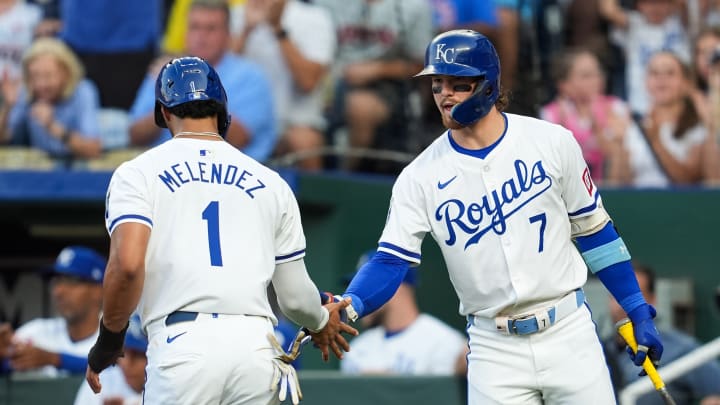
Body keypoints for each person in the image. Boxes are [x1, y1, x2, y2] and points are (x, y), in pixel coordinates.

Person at [335, 30, 665, 404]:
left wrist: (637, 308)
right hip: (494, 347)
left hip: (567, 332)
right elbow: (391, 260)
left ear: (489, 85)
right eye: (437, 83)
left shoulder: (551, 141)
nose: (445, 94)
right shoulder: (418, 176)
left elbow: (595, 232)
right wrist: (352, 302)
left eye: (458, 84)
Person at [85, 56, 357, 405]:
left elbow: (127, 266)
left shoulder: (138, 173)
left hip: (183, 346)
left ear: (164, 113)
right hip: (258, 350)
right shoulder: (270, 181)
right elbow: (294, 298)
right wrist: (321, 321)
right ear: (222, 110)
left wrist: (109, 341)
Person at [128, 0, 277, 163]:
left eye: (211, 28)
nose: (201, 36)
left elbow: (237, 139)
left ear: (228, 35)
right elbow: (135, 135)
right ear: (185, 34)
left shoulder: (251, 76)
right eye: (195, 27)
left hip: (228, 174)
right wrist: (168, 99)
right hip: (168, 173)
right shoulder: (167, 71)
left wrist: (188, 88)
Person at [230, 0, 336, 170]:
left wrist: (277, 28)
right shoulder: (236, 14)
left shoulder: (314, 17)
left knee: (304, 141)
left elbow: (308, 82)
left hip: (293, 124)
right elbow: (220, 75)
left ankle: (311, 197)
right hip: (245, 122)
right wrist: (245, 31)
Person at [604, 263, 720, 405]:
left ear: (652, 300)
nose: (621, 305)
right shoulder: (596, 350)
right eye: (616, 296)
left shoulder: (682, 348)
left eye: (632, 298)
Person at [341, 250, 468, 376]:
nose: (353, 298)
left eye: (366, 289)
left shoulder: (444, 343)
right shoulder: (356, 349)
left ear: (393, 286)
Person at [0, 246, 105, 377]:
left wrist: (55, 359)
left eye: (70, 281)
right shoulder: (36, 332)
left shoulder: (120, 334)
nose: (58, 292)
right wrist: (3, 359)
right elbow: (7, 366)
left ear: (99, 290)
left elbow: (119, 369)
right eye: (56, 282)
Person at [0, 37, 102, 164]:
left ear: (66, 73)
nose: (41, 84)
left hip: (77, 167)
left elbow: (93, 150)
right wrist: (7, 108)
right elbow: (4, 139)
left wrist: (52, 126)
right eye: (35, 76)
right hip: (40, 168)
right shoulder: (27, 92)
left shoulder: (83, 91)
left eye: (48, 76)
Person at [540, 48, 631, 185]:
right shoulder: (551, 114)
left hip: (610, 191)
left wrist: (599, 129)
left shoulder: (616, 107)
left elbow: (621, 163)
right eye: (586, 76)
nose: (596, 80)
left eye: (598, 73)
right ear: (564, 84)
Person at [600, 0, 691, 117]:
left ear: (671, 5)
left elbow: (683, 4)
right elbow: (608, 10)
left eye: (661, 2)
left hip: (680, 108)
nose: (655, 7)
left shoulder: (680, 23)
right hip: (641, 108)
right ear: (639, 5)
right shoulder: (633, 24)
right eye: (649, 2)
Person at [74, 314, 147, 405]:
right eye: (122, 353)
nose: (126, 363)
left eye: (137, 354)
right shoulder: (101, 381)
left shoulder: (166, 381)